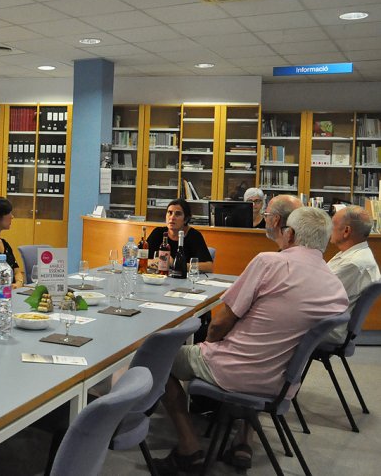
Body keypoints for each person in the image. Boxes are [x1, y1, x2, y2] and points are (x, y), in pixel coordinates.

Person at [155, 197, 349, 475]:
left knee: (159, 357)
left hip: (234, 370)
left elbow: (218, 326)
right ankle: (244, 438)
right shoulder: (335, 288)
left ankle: (188, 445)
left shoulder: (268, 263)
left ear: (289, 234)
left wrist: (208, 347)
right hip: (280, 381)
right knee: (266, 348)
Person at [322, 205, 380, 345]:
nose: (329, 228)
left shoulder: (354, 264)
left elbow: (318, 294)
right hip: (328, 320)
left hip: (327, 328)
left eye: (333, 224)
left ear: (346, 231)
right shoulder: (351, 254)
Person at [147, 198, 213, 273]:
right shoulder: (158, 233)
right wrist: (153, 262)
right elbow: (138, 258)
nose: (172, 217)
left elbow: (209, 267)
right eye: (170, 213)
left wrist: (176, 263)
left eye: (177, 214)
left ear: (186, 219)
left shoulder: (194, 236)